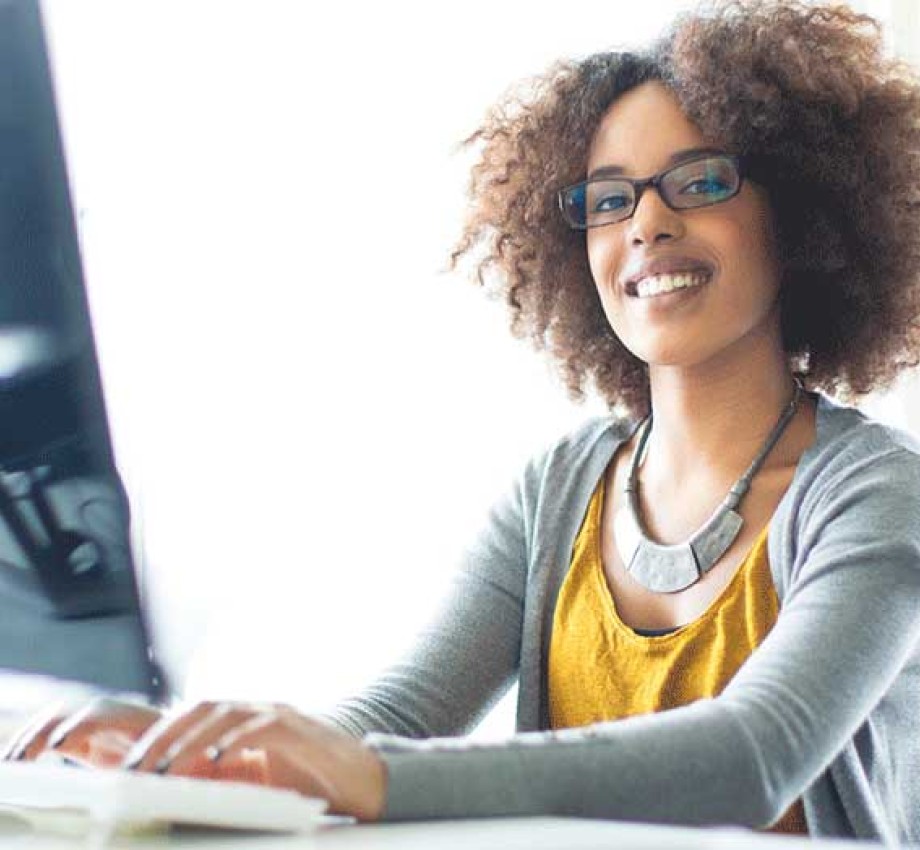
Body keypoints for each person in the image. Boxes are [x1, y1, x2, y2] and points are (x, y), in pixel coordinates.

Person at [7, 0, 920, 841]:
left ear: (798, 217)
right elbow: (396, 720)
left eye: (700, 181)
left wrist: (359, 771)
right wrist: (182, 751)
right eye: (608, 199)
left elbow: (751, 758)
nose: (645, 222)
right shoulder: (561, 489)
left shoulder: (874, 494)